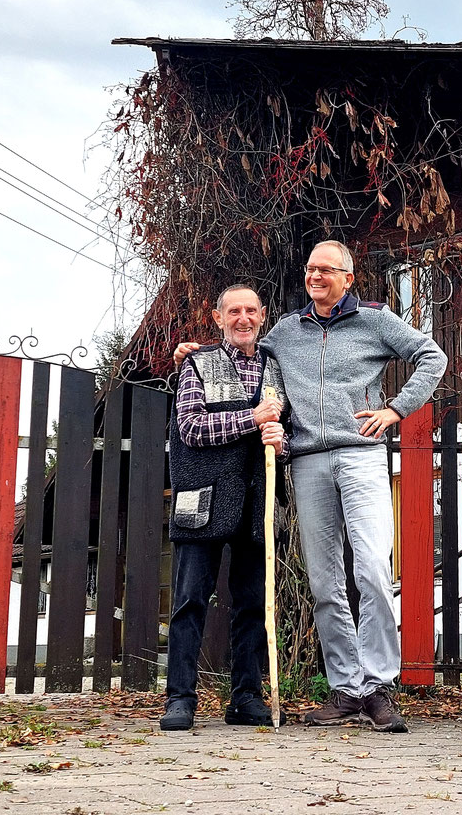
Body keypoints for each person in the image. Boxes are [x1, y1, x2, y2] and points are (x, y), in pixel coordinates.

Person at [175, 242, 447, 732]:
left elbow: (432, 357)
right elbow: (247, 358)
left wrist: (395, 410)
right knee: (324, 582)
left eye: (325, 269)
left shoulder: (376, 319)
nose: (315, 276)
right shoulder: (285, 330)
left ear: (347, 275)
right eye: (310, 268)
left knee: (372, 570)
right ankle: (346, 689)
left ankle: (379, 686)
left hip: (361, 455)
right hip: (308, 462)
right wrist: (195, 353)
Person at [161, 284, 287, 731]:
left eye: (251, 310)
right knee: (190, 600)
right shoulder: (197, 363)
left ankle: (246, 698)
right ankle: (180, 699)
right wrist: (252, 420)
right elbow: (192, 428)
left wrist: (280, 441)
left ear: (262, 315)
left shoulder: (275, 369)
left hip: (256, 500)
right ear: (218, 319)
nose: (243, 319)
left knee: (252, 602)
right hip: (202, 496)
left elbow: (283, 431)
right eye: (234, 311)